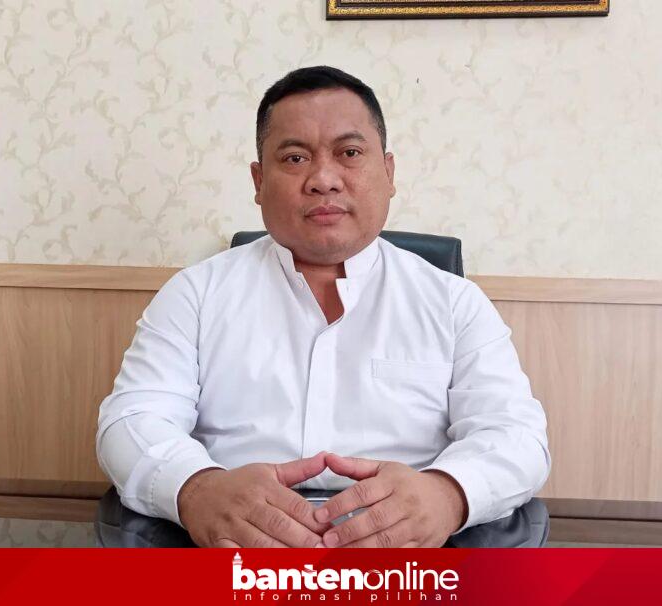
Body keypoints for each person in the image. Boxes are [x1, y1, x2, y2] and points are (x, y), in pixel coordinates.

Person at [96, 66, 550, 548]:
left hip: (405, 559)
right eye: (295, 158)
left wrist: (448, 494)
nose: (324, 180)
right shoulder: (195, 294)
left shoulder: (454, 302)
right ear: (258, 181)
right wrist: (195, 489)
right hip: (235, 552)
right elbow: (131, 421)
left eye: (349, 153)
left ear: (389, 173)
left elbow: (516, 435)